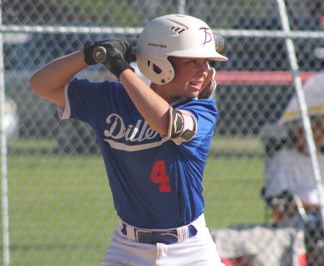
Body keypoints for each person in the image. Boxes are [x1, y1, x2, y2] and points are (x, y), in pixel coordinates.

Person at [29, 14, 227, 265]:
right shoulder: (112, 100)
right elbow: (41, 84)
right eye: (193, 62)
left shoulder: (201, 110)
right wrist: (91, 55)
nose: (205, 71)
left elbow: (167, 122)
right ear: (161, 64)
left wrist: (121, 68)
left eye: (206, 62)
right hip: (127, 247)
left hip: (191, 249)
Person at [264, 117, 324, 266]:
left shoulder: (323, 161)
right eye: (318, 127)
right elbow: (280, 201)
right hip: (311, 219)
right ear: (299, 132)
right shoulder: (282, 160)